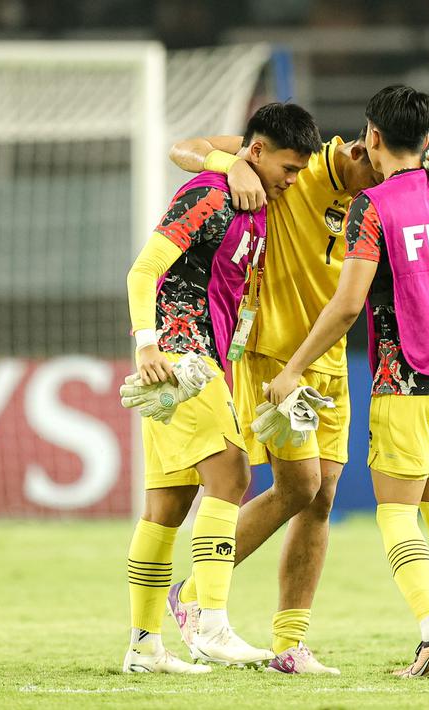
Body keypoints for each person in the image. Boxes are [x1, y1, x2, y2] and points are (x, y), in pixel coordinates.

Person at [267, 85, 429, 679]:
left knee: (396, 514)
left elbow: (346, 305)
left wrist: (292, 368)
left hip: (408, 376)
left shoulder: (373, 205)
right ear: (428, 139)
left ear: (372, 136)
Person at [164, 125, 381, 674]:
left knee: (321, 496)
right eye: (381, 170)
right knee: (299, 485)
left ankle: (290, 645)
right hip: (276, 357)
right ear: (364, 147)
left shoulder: (380, 192)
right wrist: (232, 164)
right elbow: (183, 148)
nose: (388, 181)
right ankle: (194, 594)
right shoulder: (297, 165)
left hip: (329, 358)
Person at [121, 102, 320, 674]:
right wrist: (147, 345)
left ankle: (143, 646)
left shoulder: (254, 202)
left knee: (167, 505)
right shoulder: (210, 195)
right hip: (181, 356)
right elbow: (143, 270)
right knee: (231, 475)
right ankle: (210, 624)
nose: (292, 181)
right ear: (255, 152)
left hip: (203, 359)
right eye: (287, 168)